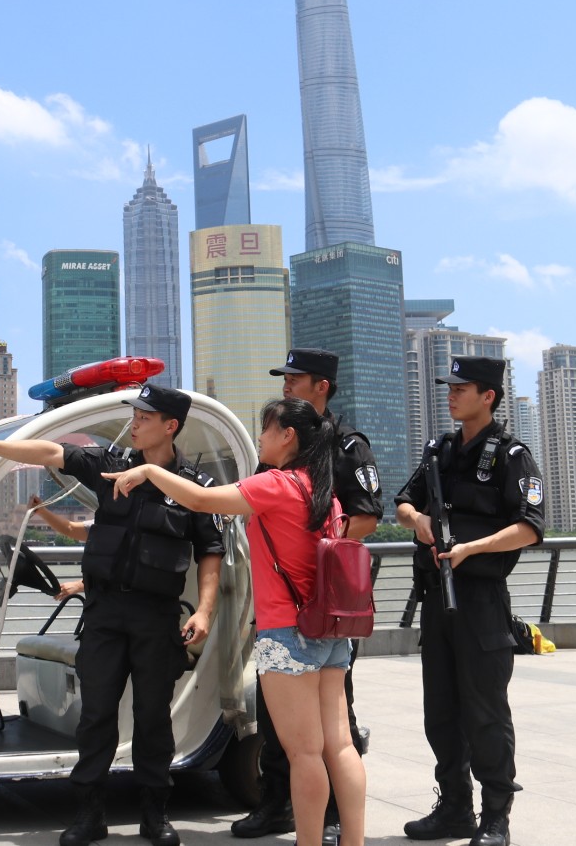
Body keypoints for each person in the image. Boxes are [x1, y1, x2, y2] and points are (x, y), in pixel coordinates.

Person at [0, 382, 225, 846]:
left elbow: (210, 552)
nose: (134, 423)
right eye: (134, 415)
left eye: (144, 417)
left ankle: (154, 814)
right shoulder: (110, 464)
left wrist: (207, 611)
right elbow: (50, 452)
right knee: (95, 715)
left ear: (170, 426)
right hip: (104, 612)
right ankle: (90, 813)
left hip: (156, 616)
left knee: (153, 717)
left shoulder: (195, 486)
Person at [105, 397, 367, 846]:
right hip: (329, 633)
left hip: (286, 634)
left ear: (288, 436)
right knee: (339, 746)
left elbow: (201, 499)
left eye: (265, 429)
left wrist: (148, 471)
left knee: (304, 753)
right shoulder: (326, 494)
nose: (259, 438)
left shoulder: (277, 484)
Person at [393, 356, 544, 846]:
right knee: (440, 712)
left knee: (485, 713)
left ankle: (495, 817)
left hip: (480, 600)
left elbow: (530, 528)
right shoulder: (439, 450)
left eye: (461, 388)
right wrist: (418, 519)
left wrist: (471, 550)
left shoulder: (511, 455)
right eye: (449, 387)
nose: (451, 394)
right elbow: (403, 502)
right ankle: (454, 807)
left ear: (488, 396)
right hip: (437, 599)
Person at [237, 348, 382, 844]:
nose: (286, 384)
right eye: (284, 378)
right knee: (288, 730)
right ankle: (277, 804)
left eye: (295, 379)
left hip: (319, 606)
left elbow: (366, 518)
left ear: (322, 386)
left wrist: (313, 546)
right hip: (297, 608)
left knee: (322, 737)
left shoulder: (346, 446)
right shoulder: (281, 456)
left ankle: (330, 822)